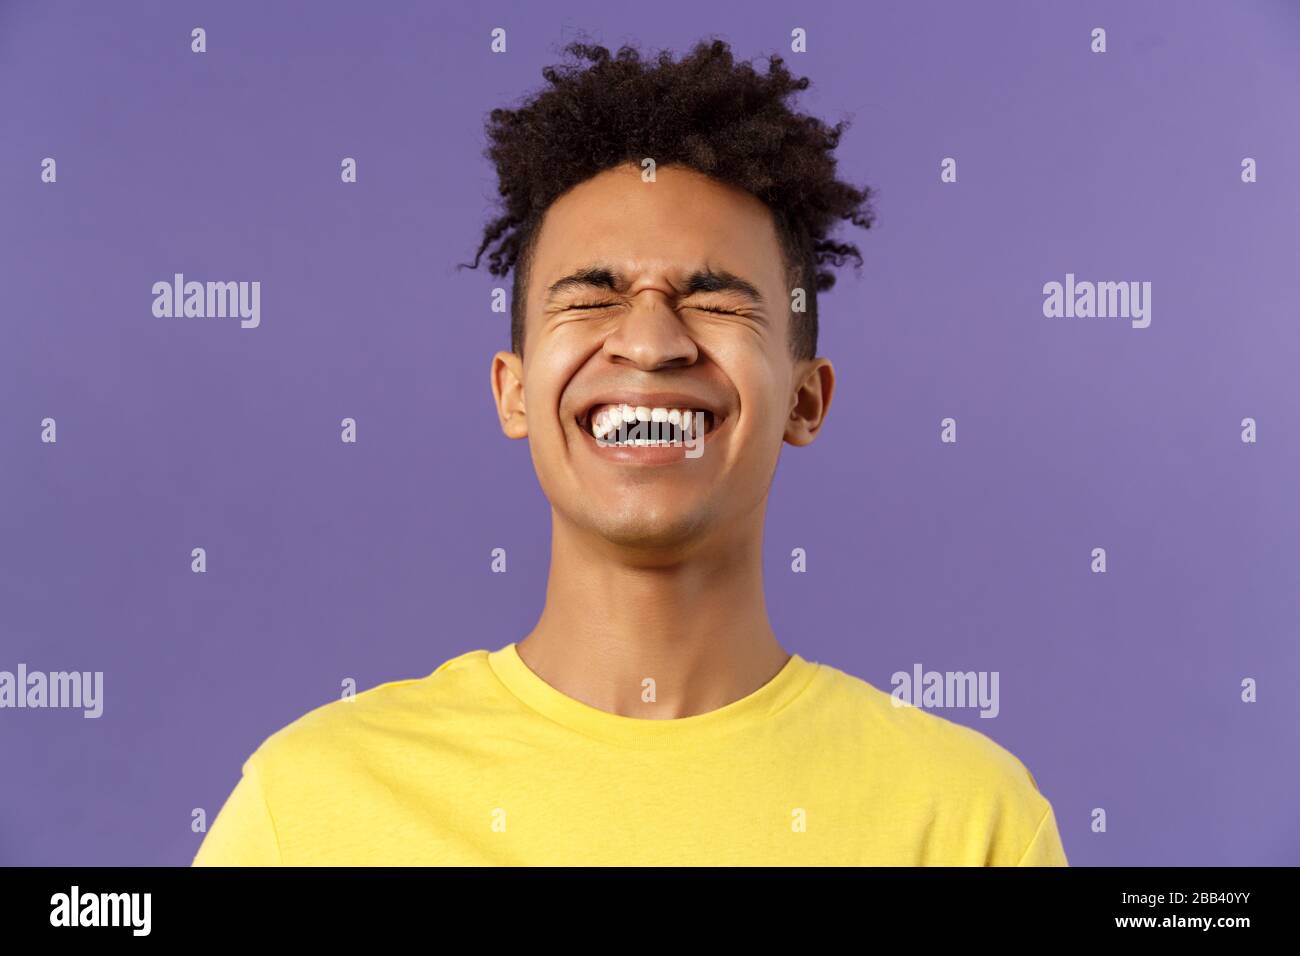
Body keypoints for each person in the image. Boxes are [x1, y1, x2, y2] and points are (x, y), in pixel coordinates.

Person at [193, 38, 1067, 866]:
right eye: (591, 298)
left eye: (715, 301)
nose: (650, 343)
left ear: (806, 399)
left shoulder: (967, 820)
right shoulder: (310, 809)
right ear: (515, 391)